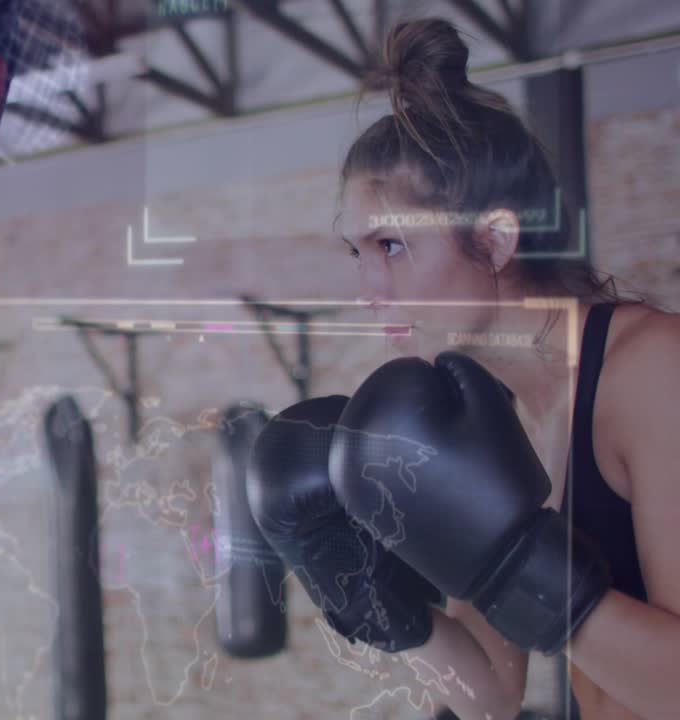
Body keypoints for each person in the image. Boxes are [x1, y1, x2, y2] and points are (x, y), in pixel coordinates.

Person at [264, 17, 680, 720]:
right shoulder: (480, 410)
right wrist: (379, 603)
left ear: (494, 239)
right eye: (356, 253)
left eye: (390, 245)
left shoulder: (651, 372)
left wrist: (512, 562)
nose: (368, 291)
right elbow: (492, 694)